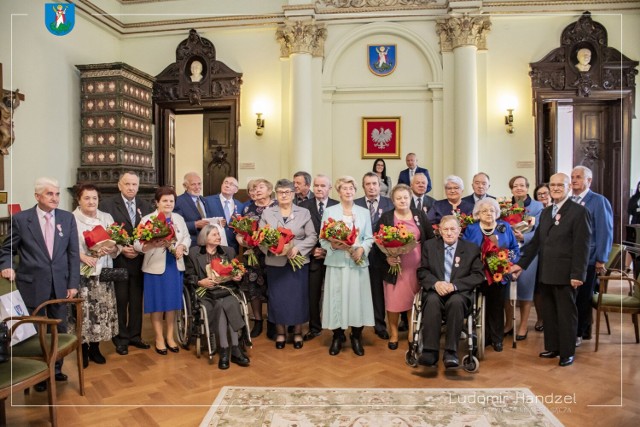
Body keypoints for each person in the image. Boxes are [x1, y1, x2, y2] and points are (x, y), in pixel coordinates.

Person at [0, 177, 79, 391]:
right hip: (32, 285)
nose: (55, 198)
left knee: (59, 328)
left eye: (57, 194)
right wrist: (6, 266)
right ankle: (38, 374)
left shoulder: (67, 218)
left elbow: (73, 253)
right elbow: (7, 249)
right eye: (49, 194)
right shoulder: (21, 219)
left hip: (60, 286)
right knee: (37, 332)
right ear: (37, 196)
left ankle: (55, 369)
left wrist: (73, 283)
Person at [511, 173, 591, 367]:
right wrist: (520, 265)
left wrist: (578, 275)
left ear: (568, 187)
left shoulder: (579, 212)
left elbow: (582, 246)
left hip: (566, 274)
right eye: (552, 185)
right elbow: (536, 242)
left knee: (566, 314)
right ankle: (553, 347)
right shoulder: (547, 212)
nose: (555, 188)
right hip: (546, 272)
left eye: (560, 185)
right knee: (549, 313)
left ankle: (567, 352)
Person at [416, 215, 485, 368]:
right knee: (432, 301)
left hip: (459, 293)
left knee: (456, 301)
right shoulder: (430, 246)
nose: (449, 233)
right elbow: (422, 271)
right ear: (439, 231)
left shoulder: (471, 248)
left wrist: (455, 286)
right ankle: (430, 351)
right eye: (445, 229)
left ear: (459, 230)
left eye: (452, 229)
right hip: (436, 291)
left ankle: (451, 352)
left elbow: (478, 275)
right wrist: (436, 283)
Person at [99, 171, 153, 355]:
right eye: (127, 184)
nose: (131, 188)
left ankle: (135, 336)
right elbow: (104, 232)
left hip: (139, 260)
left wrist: (138, 248)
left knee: (137, 300)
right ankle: (121, 337)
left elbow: (150, 231)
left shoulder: (145, 205)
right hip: (118, 259)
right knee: (120, 300)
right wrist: (122, 248)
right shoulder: (107, 205)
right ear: (119, 185)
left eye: (134, 185)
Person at [320, 176, 374, 356]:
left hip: (357, 263)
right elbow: (322, 238)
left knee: (357, 299)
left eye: (351, 188)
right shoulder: (329, 211)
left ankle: (357, 336)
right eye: (344, 188)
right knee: (337, 299)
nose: (348, 191)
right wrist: (332, 246)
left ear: (355, 190)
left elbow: (369, 238)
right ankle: (337, 336)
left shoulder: (364, 212)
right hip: (337, 262)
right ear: (339, 191)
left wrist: (362, 249)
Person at [260, 179, 317, 349]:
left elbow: (312, 236)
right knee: (278, 299)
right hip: (275, 263)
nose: (284, 195)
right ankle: (280, 333)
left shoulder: (304, 212)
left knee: (297, 298)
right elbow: (261, 238)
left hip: (297, 263)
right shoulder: (268, 213)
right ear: (275, 194)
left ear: (293, 194)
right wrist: (273, 249)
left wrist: (298, 249)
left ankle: (298, 332)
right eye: (280, 192)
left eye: (287, 192)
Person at [134, 186, 190, 355]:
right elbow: (137, 244)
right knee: (157, 305)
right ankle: (159, 338)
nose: (168, 204)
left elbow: (186, 237)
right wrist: (152, 244)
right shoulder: (147, 220)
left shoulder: (179, 219)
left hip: (175, 265)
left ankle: (170, 337)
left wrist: (182, 246)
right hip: (155, 267)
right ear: (157, 202)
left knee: (172, 304)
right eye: (164, 201)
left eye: (171, 201)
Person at [184, 224, 250, 370]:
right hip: (206, 292)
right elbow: (188, 276)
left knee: (231, 303)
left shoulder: (228, 251)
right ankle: (225, 349)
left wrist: (237, 276)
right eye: (214, 234)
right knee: (219, 305)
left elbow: (236, 270)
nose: (218, 237)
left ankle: (234, 348)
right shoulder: (194, 253)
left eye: (218, 234)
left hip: (226, 289)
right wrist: (200, 282)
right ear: (204, 237)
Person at [377, 184, 435, 350]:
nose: (402, 201)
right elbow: (378, 242)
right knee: (393, 301)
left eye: (405, 197)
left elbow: (430, 239)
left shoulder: (419, 215)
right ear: (393, 200)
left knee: (413, 300)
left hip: (416, 266)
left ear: (410, 198)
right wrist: (387, 257)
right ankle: (393, 333)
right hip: (394, 267)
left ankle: (412, 331)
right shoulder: (387, 217)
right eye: (398, 198)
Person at [71, 184, 119, 368]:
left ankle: (95, 348)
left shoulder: (106, 217)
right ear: (79, 200)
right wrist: (83, 257)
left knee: (101, 311)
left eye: (94, 198)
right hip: (82, 273)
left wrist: (112, 248)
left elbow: (117, 243)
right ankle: (82, 349)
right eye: (87, 198)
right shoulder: (71, 219)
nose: (91, 202)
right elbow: (67, 247)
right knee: (84, 313)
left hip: (103, 272)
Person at [462, 198, 519, 352]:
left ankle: (497, 338)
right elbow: (465, 250)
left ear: (497, 213)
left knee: (496, 306)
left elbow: (514, 248)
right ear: (478, 214)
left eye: (492, 210)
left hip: (498, 274)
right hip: (477, 273)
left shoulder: (504, 227)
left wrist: (509, 264)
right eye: (484, 211)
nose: (488, 213)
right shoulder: (472, 228)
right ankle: (482, 337)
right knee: (478, 307)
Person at [571, 166, 613, 346]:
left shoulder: (598, 201)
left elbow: (605, 231)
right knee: (572, 297)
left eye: (578, 177)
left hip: (589, 258)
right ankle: (575, 329)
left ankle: (580, 332)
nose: (574, 180)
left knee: (583, 297)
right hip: (571, 258)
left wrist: (601, 259)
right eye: (572, 177)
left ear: (589, 181)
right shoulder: (570, 200)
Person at [502, 176, 544, 341]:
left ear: (527, 187)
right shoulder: (505, 206)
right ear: (511, 189)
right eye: (515, 186)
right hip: (508, 252)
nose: (519, 188)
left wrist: (523, 238)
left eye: (522, 185)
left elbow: (540, 230)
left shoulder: (537, 206)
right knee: (506, 287)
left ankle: (523, 325)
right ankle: (508, 323)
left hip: (529, 251)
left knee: (525, 287)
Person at [355, 172, 394, 339]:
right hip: (358, 254)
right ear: (363, 187)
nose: (371, 187)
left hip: (381, 255)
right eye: (368, 184)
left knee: (378, 292)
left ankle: (379, 325)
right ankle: (357, 326)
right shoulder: (355, 204)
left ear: (380, 186)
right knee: (358, 291)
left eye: (374, 184)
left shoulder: (389, 203)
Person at [299, 174, 338, 341]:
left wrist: (329, 250)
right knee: (313, 294)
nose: (319, 189)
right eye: (316, 185)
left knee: (335, 293)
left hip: (335, 257)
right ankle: (315, 327)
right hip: (313, 257)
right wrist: (313, 249)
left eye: (323, 186)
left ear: (329, 188)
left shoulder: (338, 206)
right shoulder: (304, 206)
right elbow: (300, 233)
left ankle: (337, 328)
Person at [240, 178, 277, 338]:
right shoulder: (248, 208)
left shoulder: (278, 207)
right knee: (254, 286)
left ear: (270, 191)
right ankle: (257, 320)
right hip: (253, 253)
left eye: (261, 187)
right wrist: (242, 240)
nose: (257, 190)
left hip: (274, 253)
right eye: (254, 188)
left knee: (273, 287)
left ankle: (272, 321)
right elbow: (240, 231)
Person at [205, 176, 243, 253]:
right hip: (212, 246)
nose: (227, 185)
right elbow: (203, 220)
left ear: (236, 190)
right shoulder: (208, 201)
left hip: (232, 247)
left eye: (231, 184)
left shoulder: (240, 206)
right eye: (225, 182)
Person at [174, 172, 210, 248]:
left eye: (199, 184)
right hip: (191, 245)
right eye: (193, 184)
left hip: (207, 243)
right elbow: (176, 225)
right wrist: (195, 225)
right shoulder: (178, 201)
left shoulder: (204, 200)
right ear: (185, 186)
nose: (197, 187)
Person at [626, 180, 640, 274]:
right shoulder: (635, 198)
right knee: (631, 245)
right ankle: (627, 267)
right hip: (635, 223)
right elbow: (630, 210)